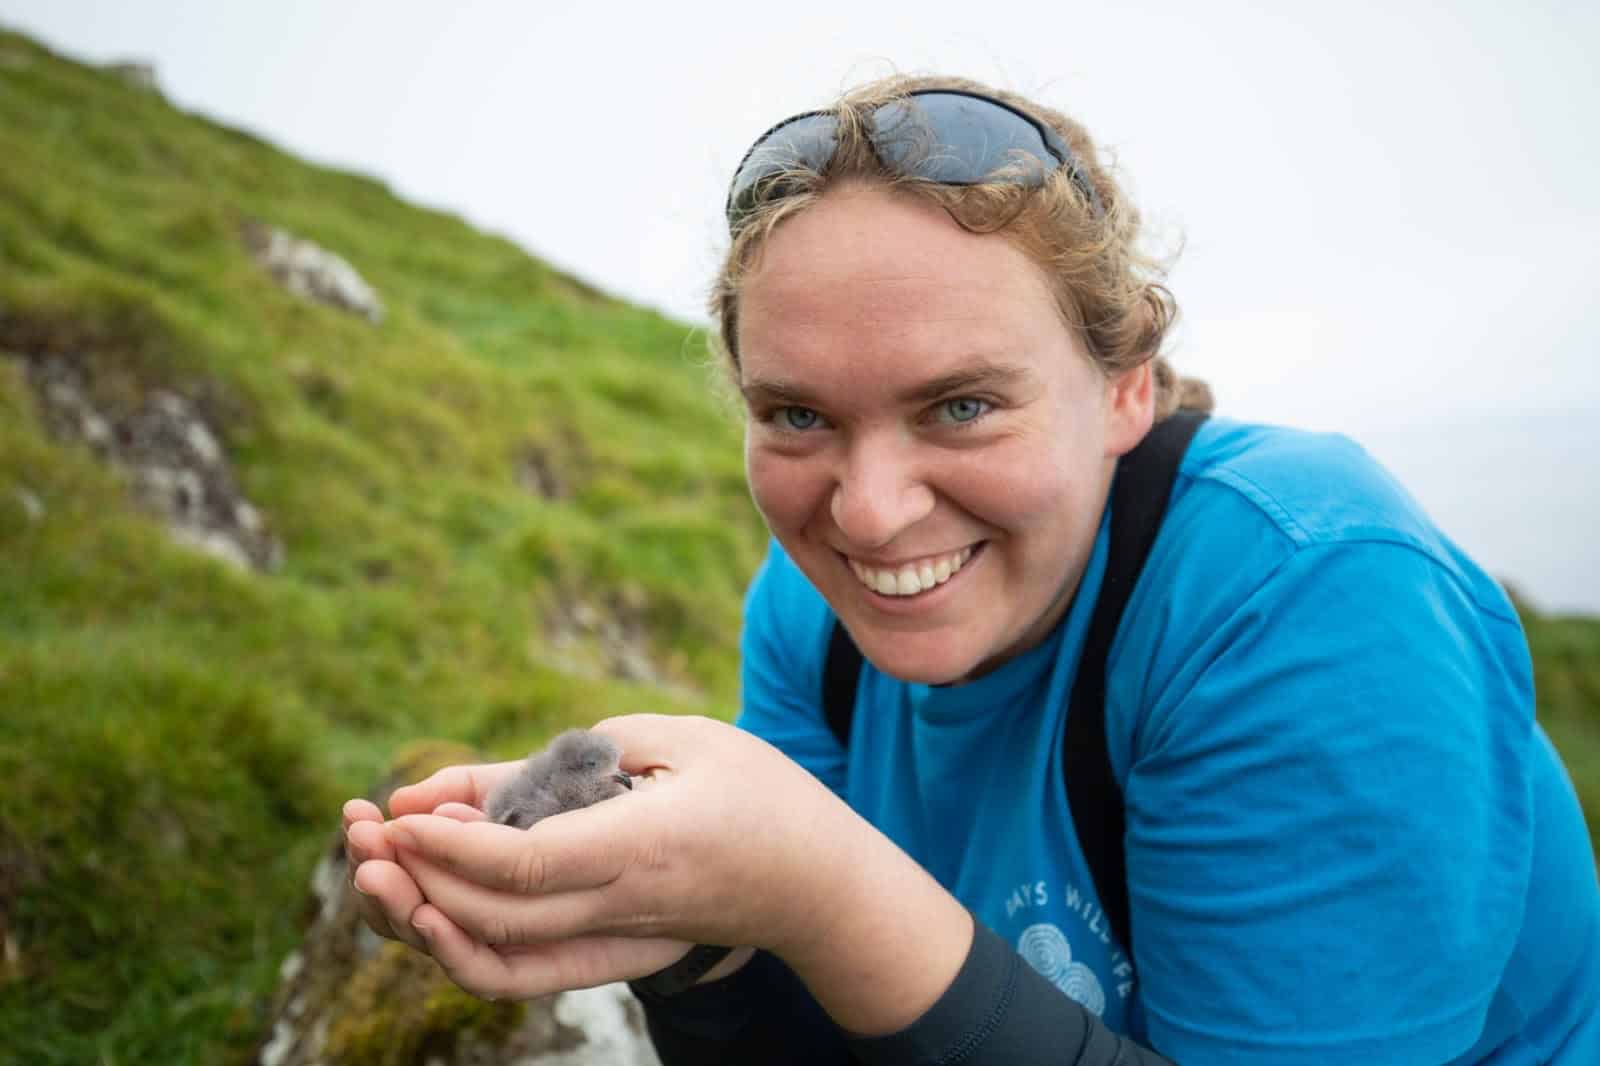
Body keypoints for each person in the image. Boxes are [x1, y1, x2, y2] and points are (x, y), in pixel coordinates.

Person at [341, 74, 1600, 1063]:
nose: (870, 515)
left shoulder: (1306, 598)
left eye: (958, 407)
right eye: (796, 416)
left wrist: (821, 890)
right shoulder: (810, 618)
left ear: (1123, 388)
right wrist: (689, 933)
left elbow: (850, 931)